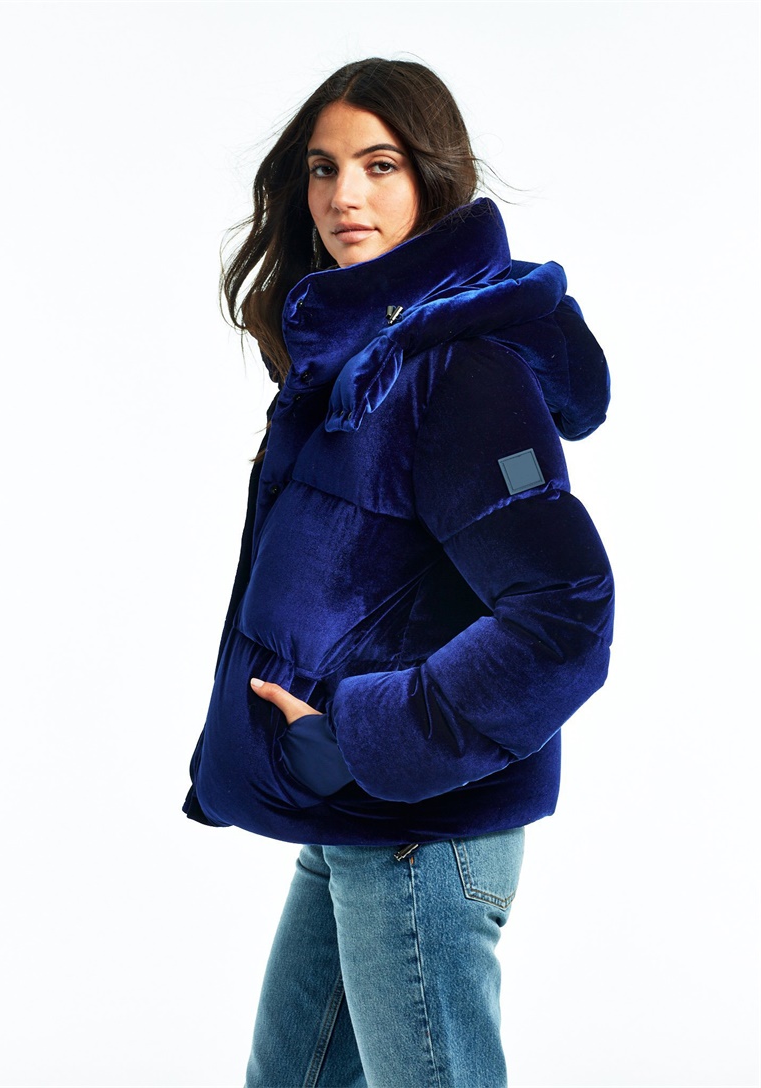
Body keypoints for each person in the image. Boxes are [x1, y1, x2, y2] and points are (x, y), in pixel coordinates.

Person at [183, 57, 615, 1088]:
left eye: (379, 166)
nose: (345, 195)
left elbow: (564, 612)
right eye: (323, 168)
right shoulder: (359, 362)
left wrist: (361, 735)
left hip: (420, 830)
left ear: (432, 178)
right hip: (356, 816)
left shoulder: (460, 370)